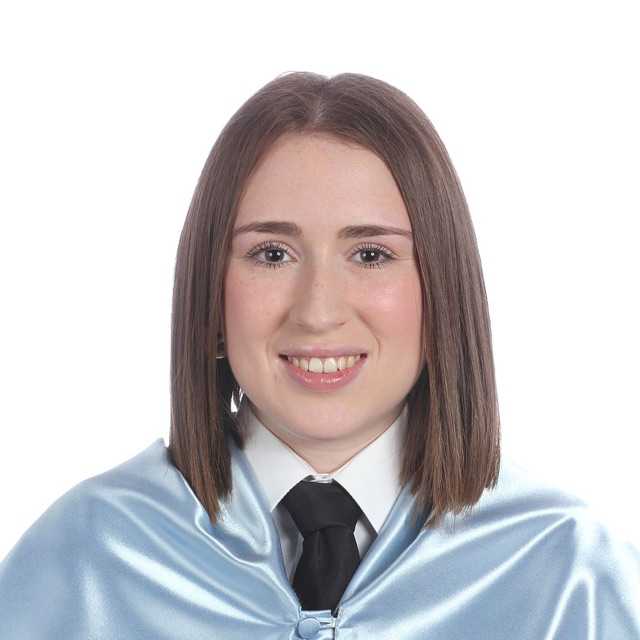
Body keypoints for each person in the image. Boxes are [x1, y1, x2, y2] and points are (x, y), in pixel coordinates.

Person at [1, 71, 639, 639]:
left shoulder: (567, 575)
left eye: (371, 254)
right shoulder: (91, 559)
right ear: (210, 294)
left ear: (443, 290)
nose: (317, 310)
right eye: (272, 254)